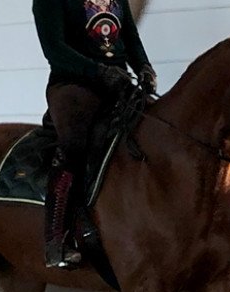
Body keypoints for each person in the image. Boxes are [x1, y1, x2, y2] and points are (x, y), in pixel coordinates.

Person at [33, 0, 157, 269]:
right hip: (74, 85)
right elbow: (55, 51)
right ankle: (56, 238)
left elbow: (130, 38)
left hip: (117, 82)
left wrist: (144, 67)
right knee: (74, 146)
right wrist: (97, 71)